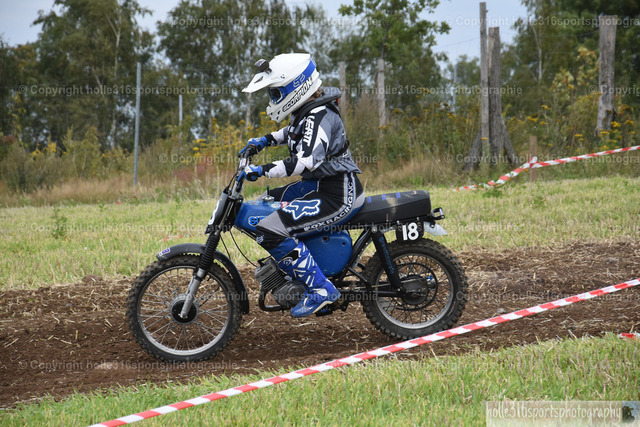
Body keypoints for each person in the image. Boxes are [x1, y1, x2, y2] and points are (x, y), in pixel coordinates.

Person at [239, 53, 364, 318]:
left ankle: (321, 289)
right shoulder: (309, 111)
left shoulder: (320, 115)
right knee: (265, 203)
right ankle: (296, 271)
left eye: (276, 93)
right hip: (317, 186)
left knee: (269, 230)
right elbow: (294, 132)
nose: (274, 99)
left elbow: (305, 161)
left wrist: (261, 170)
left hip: (336, 194)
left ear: (295, 87)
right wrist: (263, 141)